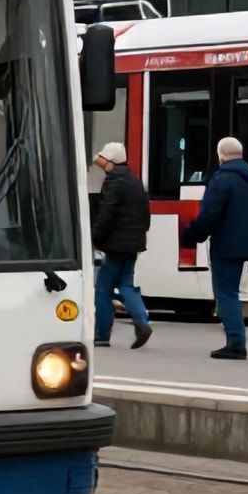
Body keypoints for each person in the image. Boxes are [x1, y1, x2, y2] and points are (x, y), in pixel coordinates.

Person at [180, 137, 248, 360]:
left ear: (220, 155)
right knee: (231, 292)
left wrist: (192, 236)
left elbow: (210, 214)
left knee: (226, 293)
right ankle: (235, 341)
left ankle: (236, 343)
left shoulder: (222, 179)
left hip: (227, 245)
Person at [90, 142, 153, 350]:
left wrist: (95, 238)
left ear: (111, 161)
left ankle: (101, 336)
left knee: (102, 289)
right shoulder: (136, 182)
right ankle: (142, 322)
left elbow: (106, 215)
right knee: (126, 284)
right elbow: (146, 218)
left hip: (115, 245)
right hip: (133, 244)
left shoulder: (114, 183)